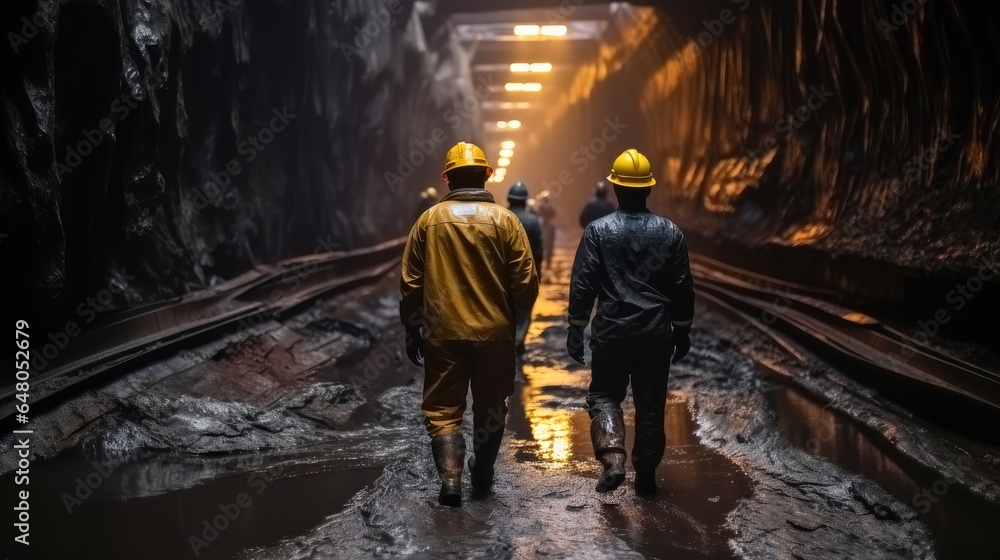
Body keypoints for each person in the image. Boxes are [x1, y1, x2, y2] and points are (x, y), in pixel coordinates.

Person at [400, 141, 539, 506]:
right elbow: (526, 288)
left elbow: (411, 286)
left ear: (448, 180)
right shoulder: (507, 221)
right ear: (485, 176)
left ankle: (450, 483)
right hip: (494, 335)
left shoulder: (427, 222)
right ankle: (483, 474)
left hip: (442, 334)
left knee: (444, 412)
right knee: (491, 408)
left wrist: (413, 331)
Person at [566, 148, 694, 496]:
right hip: (655, 335)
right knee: (650, 406)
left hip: (611, 334)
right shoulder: (670, 233)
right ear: (648, 189)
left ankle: (613, 457)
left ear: (616, 189)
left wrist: (575, 328)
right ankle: (647, 478)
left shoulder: (598, 231)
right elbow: (682, 287)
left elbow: (583, 284)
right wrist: (682, 329)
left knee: (604, 395)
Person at [506, 181, 544, 355]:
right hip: (526, 274)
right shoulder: (532, 221)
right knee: (525, 309)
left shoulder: (500, 217)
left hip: (503, 274)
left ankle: (506, 342)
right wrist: (538, 272)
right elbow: (539, 250)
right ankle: (519, 340)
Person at [535, 190, 557, 273]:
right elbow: (554, 214)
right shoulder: (550, 207)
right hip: (548, 228)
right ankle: (548, 263)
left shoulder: (541, 207)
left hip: (543, 228)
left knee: (543, 246)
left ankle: (543, 264)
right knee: (548, 247)